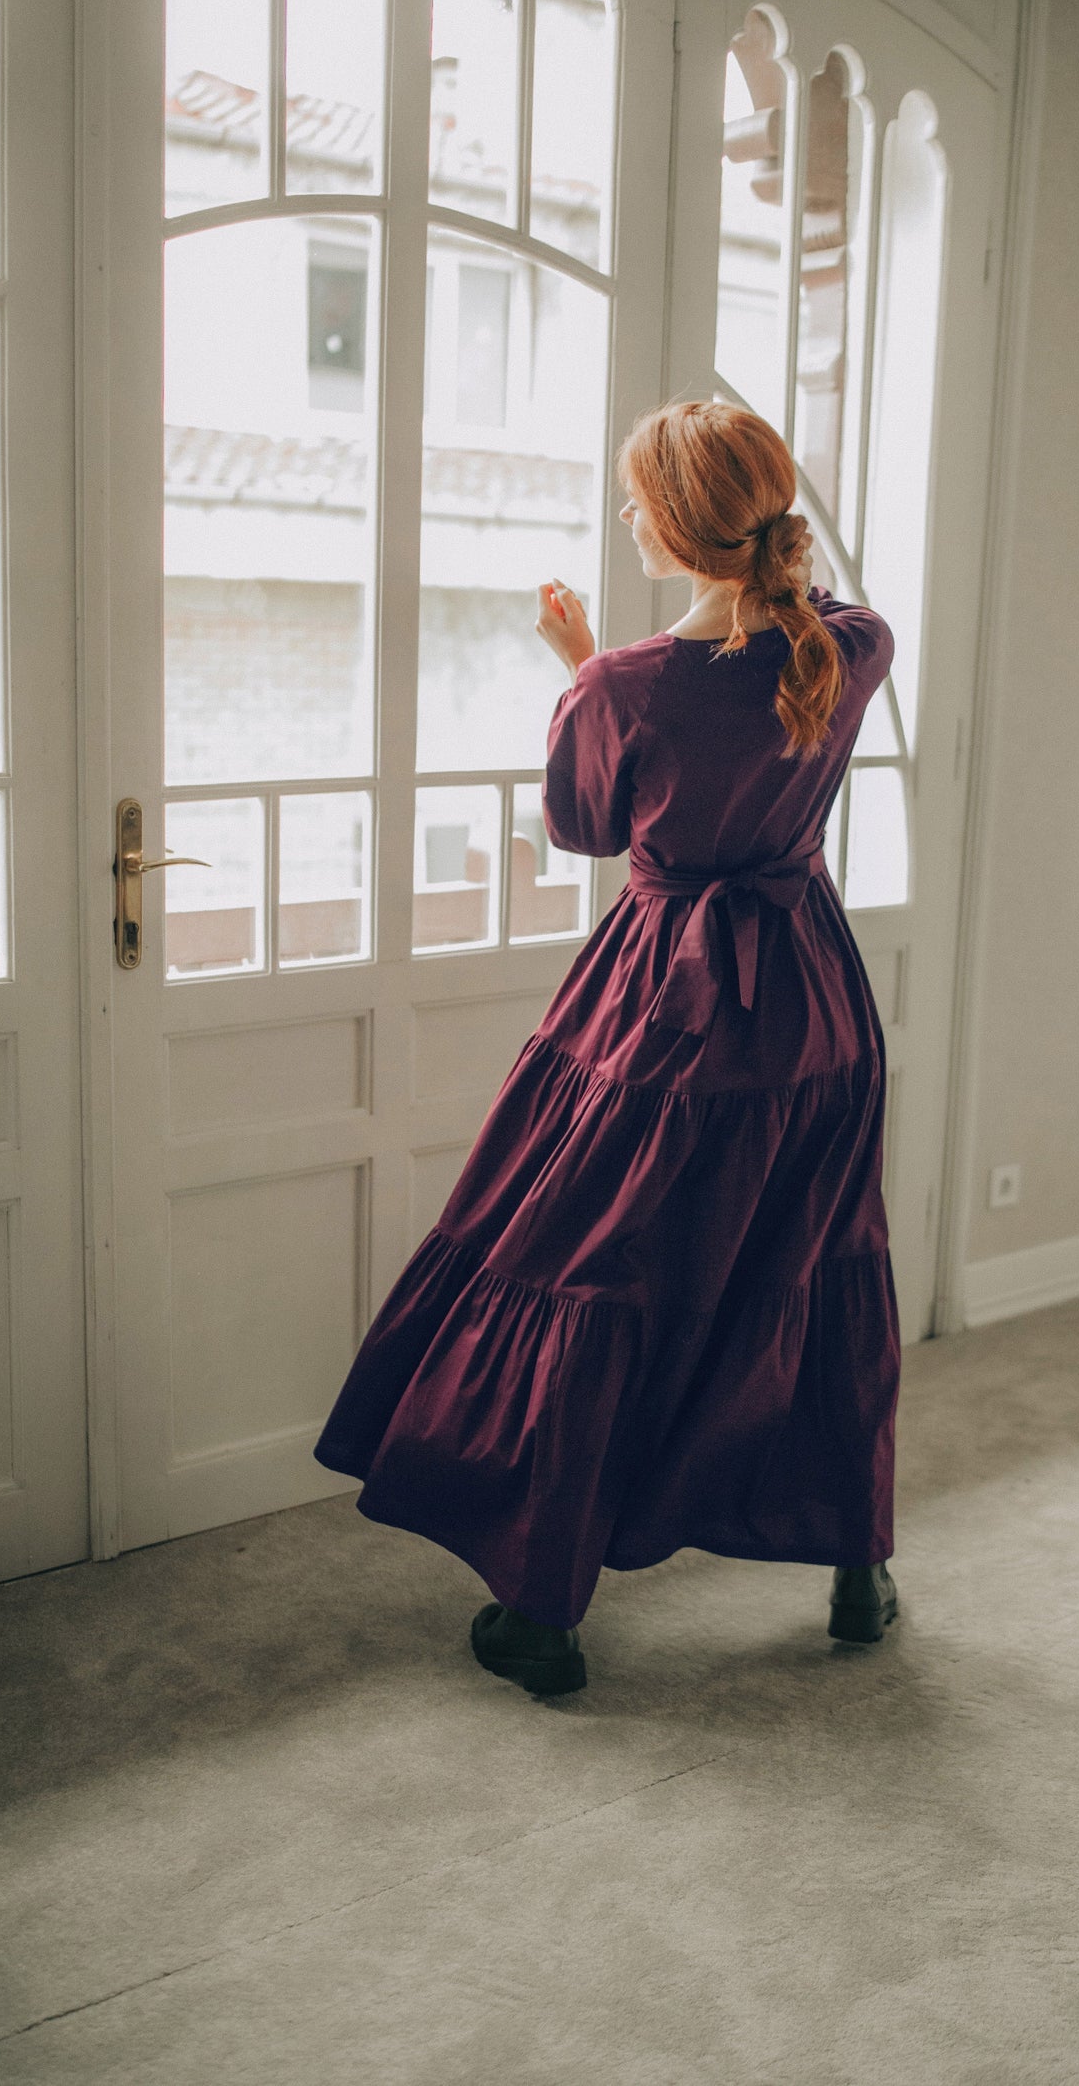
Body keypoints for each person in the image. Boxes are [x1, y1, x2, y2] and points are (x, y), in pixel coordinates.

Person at [314, 400, 901, 1697]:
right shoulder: (855, 643)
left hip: (665, 1010)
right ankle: (858, 1569)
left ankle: (543, 1614)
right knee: (810, 1266)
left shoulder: (626, 685)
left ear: (684, 530)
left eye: (640, 501)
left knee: (590, 1265)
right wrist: (613, 660)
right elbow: (783, 661)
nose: (628, 516)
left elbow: (587, 828)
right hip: (811, 1004)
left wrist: (581, 669)